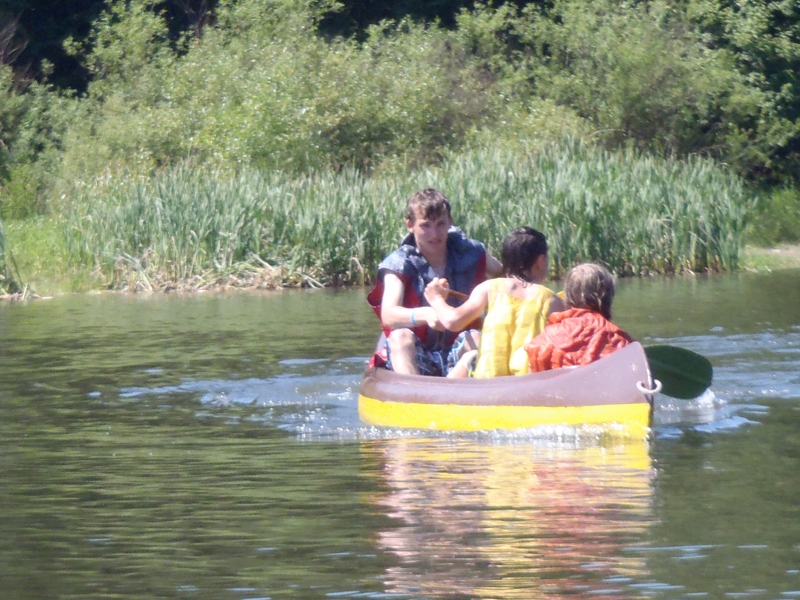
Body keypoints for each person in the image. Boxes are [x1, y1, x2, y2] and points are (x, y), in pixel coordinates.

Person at [366, 188, 503, 376]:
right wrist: (426, 314)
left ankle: (462, 388)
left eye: (440, 224)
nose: (434, 234)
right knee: (399, 338)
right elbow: (388, 315)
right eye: (425, 225)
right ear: (410, 225)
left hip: (458, 347)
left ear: (450, 223)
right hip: (416, 351)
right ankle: (414, 397)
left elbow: (506, 276)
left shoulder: (472, 252)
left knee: (477, 338)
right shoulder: (398, 263)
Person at [424, 226, 566, 378]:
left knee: (469, 358)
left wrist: (435, 299)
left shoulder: (489, 288)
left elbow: (453, 321)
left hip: (489, 382)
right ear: (540, 261)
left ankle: (443, 396)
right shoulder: (552, 300)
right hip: (528, 382)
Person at [525, 263, 633, 372]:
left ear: (567, 296)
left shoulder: (544, 340)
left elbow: (534, 382)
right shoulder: (618, 339)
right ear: (607, 298)